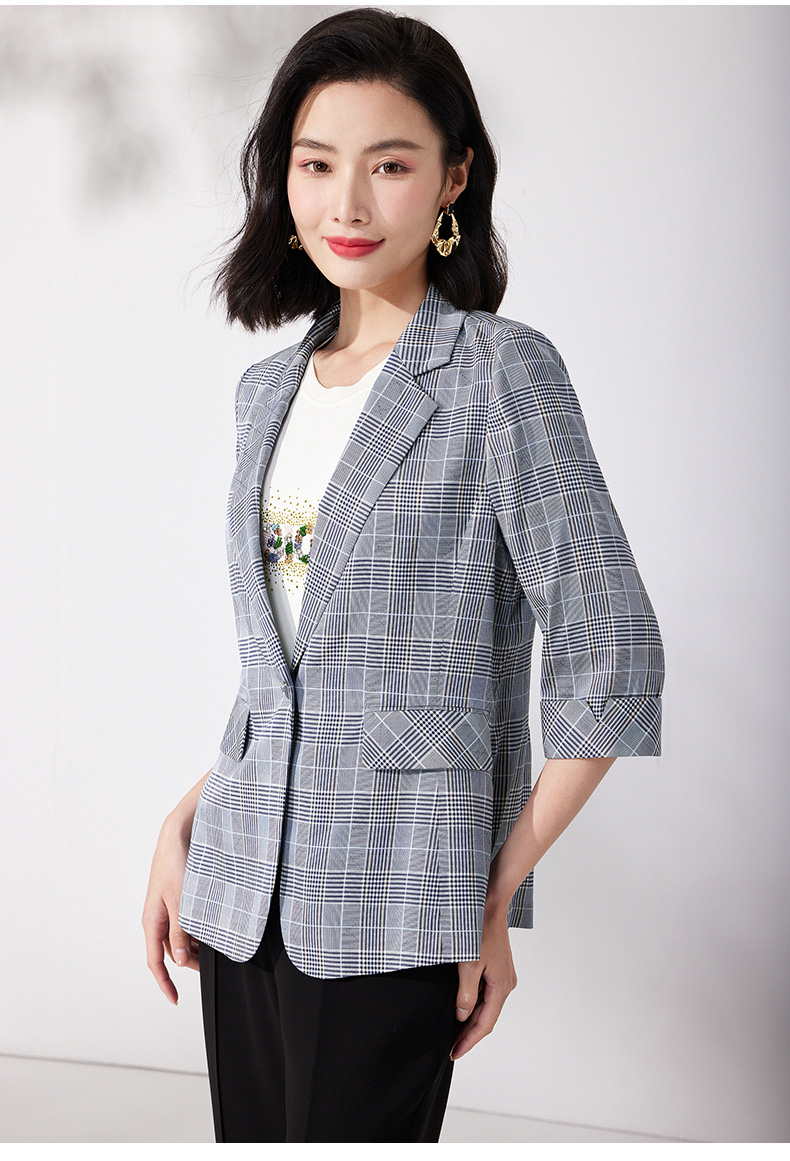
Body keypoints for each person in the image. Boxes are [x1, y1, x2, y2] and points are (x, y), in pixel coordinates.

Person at [142, 7, 665, 1144]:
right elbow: (291, 673)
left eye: (388, 165)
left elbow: (613, 652)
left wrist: (492, 895)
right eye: (315, 164)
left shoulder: (499, 375)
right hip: (237, 887)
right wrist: (184, 822)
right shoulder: (266, 393)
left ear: (452, 179)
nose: (346, 203)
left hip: (400, 900)